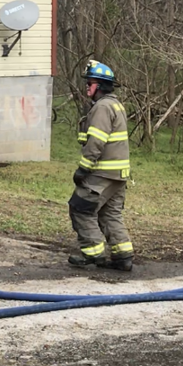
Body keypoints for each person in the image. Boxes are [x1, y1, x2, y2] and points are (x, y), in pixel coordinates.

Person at [67, 60, 133, 271]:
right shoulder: (116, 105)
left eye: (90, 83)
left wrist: (84, 168)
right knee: (110, 213)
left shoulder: (103, 107)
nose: (87, 87)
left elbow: (96, 141)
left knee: (80, 208)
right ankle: (123, 256)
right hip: (118, 174)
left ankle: (93, 253)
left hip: (102, 173)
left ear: (101, 85)